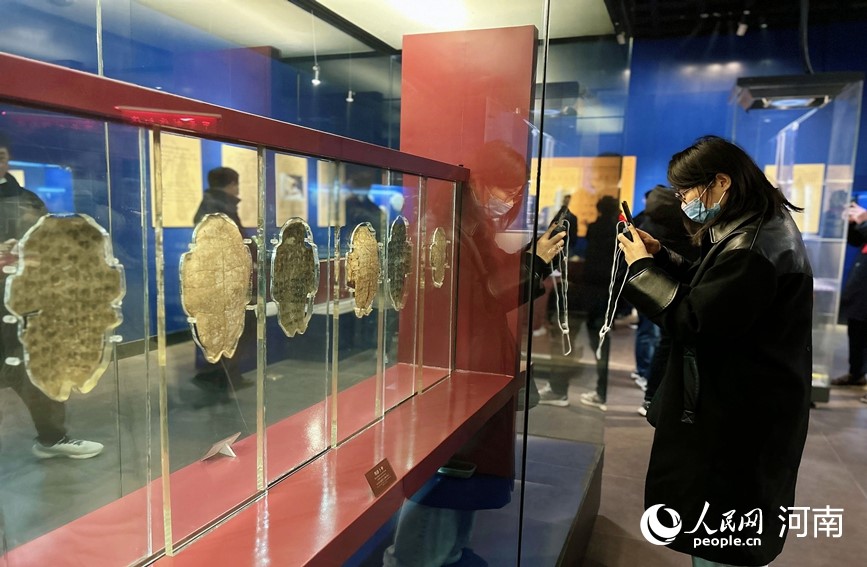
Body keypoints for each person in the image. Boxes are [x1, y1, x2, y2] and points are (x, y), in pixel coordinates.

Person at [617, 135, 812, 567]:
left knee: (721, 540)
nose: (683, 201)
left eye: (686, 191)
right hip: (745, 402)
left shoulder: (752, 246)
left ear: (721, 181)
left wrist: (641, 269)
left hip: (737, 414)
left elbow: (695, 319)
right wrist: (661, 257)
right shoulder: (758, 229)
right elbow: (717, 292)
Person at [383, 140, 565, 567]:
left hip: (468, 367)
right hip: (451, 369)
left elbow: (491, 282)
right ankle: (417, 559)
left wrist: (533, 260)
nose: (510, 200)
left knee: (463, 471)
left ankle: (445, 553)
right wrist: (533, 263)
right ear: (480, 182)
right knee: (444, 473)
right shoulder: (441, 231)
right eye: (507, 189)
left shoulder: (466, 224)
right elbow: (478, 298)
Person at [0, 138, 103, 459]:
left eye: (1, 154)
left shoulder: (26, 200)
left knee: (38, 368)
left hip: (25, 300)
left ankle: (52, 437)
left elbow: (50, 244)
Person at [632, 185, 700, 416]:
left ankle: (649, 389)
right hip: (673, 290)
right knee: (664, 341)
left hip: (662, 288)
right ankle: (651, 393)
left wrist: (659, 254)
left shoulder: (650, 219)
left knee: (655, 338)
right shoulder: (684, 221)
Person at [190, 166, 254, 394]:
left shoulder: (210, 205)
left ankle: (223, 376)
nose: (238, 189)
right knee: (236, 327)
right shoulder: (222, 207)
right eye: (236, 184)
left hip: (218, 276)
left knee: (226, 328)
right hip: (226, 278)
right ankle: (219, 376)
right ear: (232, 184)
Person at [576, 195, 621, 411]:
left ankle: (602, 390)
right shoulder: (617, 230)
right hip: (608, 287)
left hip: (593, 287)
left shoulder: (595, 228)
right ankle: (602, 389)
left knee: (596, 334)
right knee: (602, 335)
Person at [831, 200, 867, 395]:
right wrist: (853, 224)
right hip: (860, 291)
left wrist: (864, 221)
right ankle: (856, 374)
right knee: (856, 331)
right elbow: (855, 240)